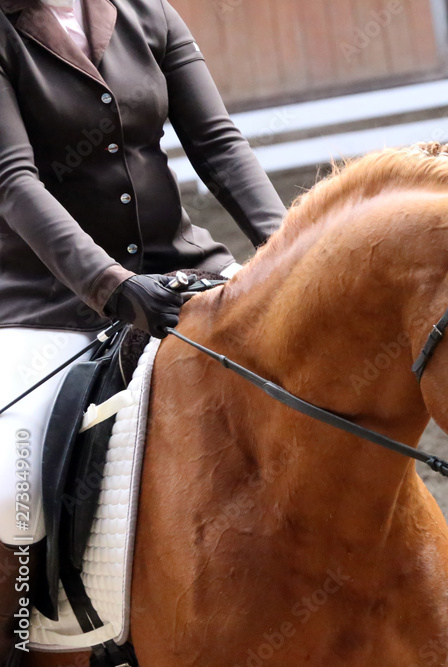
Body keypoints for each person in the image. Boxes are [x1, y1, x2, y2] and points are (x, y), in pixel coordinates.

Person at [0, 0, 286, 559]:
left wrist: (287, 250)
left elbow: (218, 143)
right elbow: (14, 182)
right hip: (49, 298)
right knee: (18, 489)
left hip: (180, 269)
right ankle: (18, 640)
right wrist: (111, 285)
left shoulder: (146, 11)